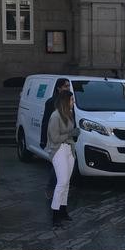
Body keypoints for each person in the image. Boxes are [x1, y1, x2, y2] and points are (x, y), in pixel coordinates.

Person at [46, 90, 78, 225]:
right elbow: (54, 138)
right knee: (62, 181)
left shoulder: (69, 114)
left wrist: (72, 135)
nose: (73, 102)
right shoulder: (55, 116)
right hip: (58, 149)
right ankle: (55, 214)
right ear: (66, 101)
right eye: (71, 100)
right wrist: (71, 134)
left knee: (66, 182)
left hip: (69, 149)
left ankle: (63, 211)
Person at [41, 78, 71, 198]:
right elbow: (46, 122)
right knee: (57, 166)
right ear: (58, 88)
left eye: (68, 86)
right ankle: (51, 188)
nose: (67, 88)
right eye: (65, 86)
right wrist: (43, 139)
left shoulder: (69, 101)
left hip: (67, 140)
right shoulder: (51, 102)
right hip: (55, 140)